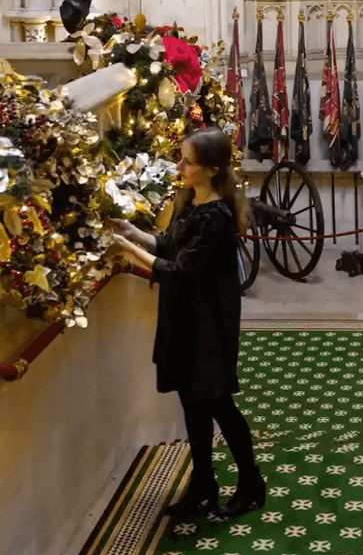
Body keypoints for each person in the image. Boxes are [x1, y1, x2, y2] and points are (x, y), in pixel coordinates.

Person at [107, 128, 265, 520]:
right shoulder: (189, 200)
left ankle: (250, 483)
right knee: (192, 408)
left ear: (210, 170)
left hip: (209, 326)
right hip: (183, 320)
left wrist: (126, 250)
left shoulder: (219, 216)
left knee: (218, 406)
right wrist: (135, 234)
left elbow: (180, 270)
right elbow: (170, 245)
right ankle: (204, 487)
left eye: (187, 162)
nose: (180, 166)